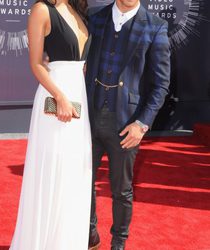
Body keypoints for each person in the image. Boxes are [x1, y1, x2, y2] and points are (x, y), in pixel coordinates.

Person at [86, 0, 171, 249]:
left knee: (121, 190)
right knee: (82, 181)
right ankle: (90, 233)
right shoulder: (94, 17)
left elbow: (161, 85)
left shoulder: (155, 26)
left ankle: (118, 243)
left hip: (126, 124)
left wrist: (142, 124)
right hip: (88, 118)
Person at [9, 0, 92, 249]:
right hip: (55, 98)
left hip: (79, 96)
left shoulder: (78, 10)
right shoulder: (42, 10)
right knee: (54, 169)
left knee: (74, 172)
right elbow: (36, 63)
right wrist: (60, 97)